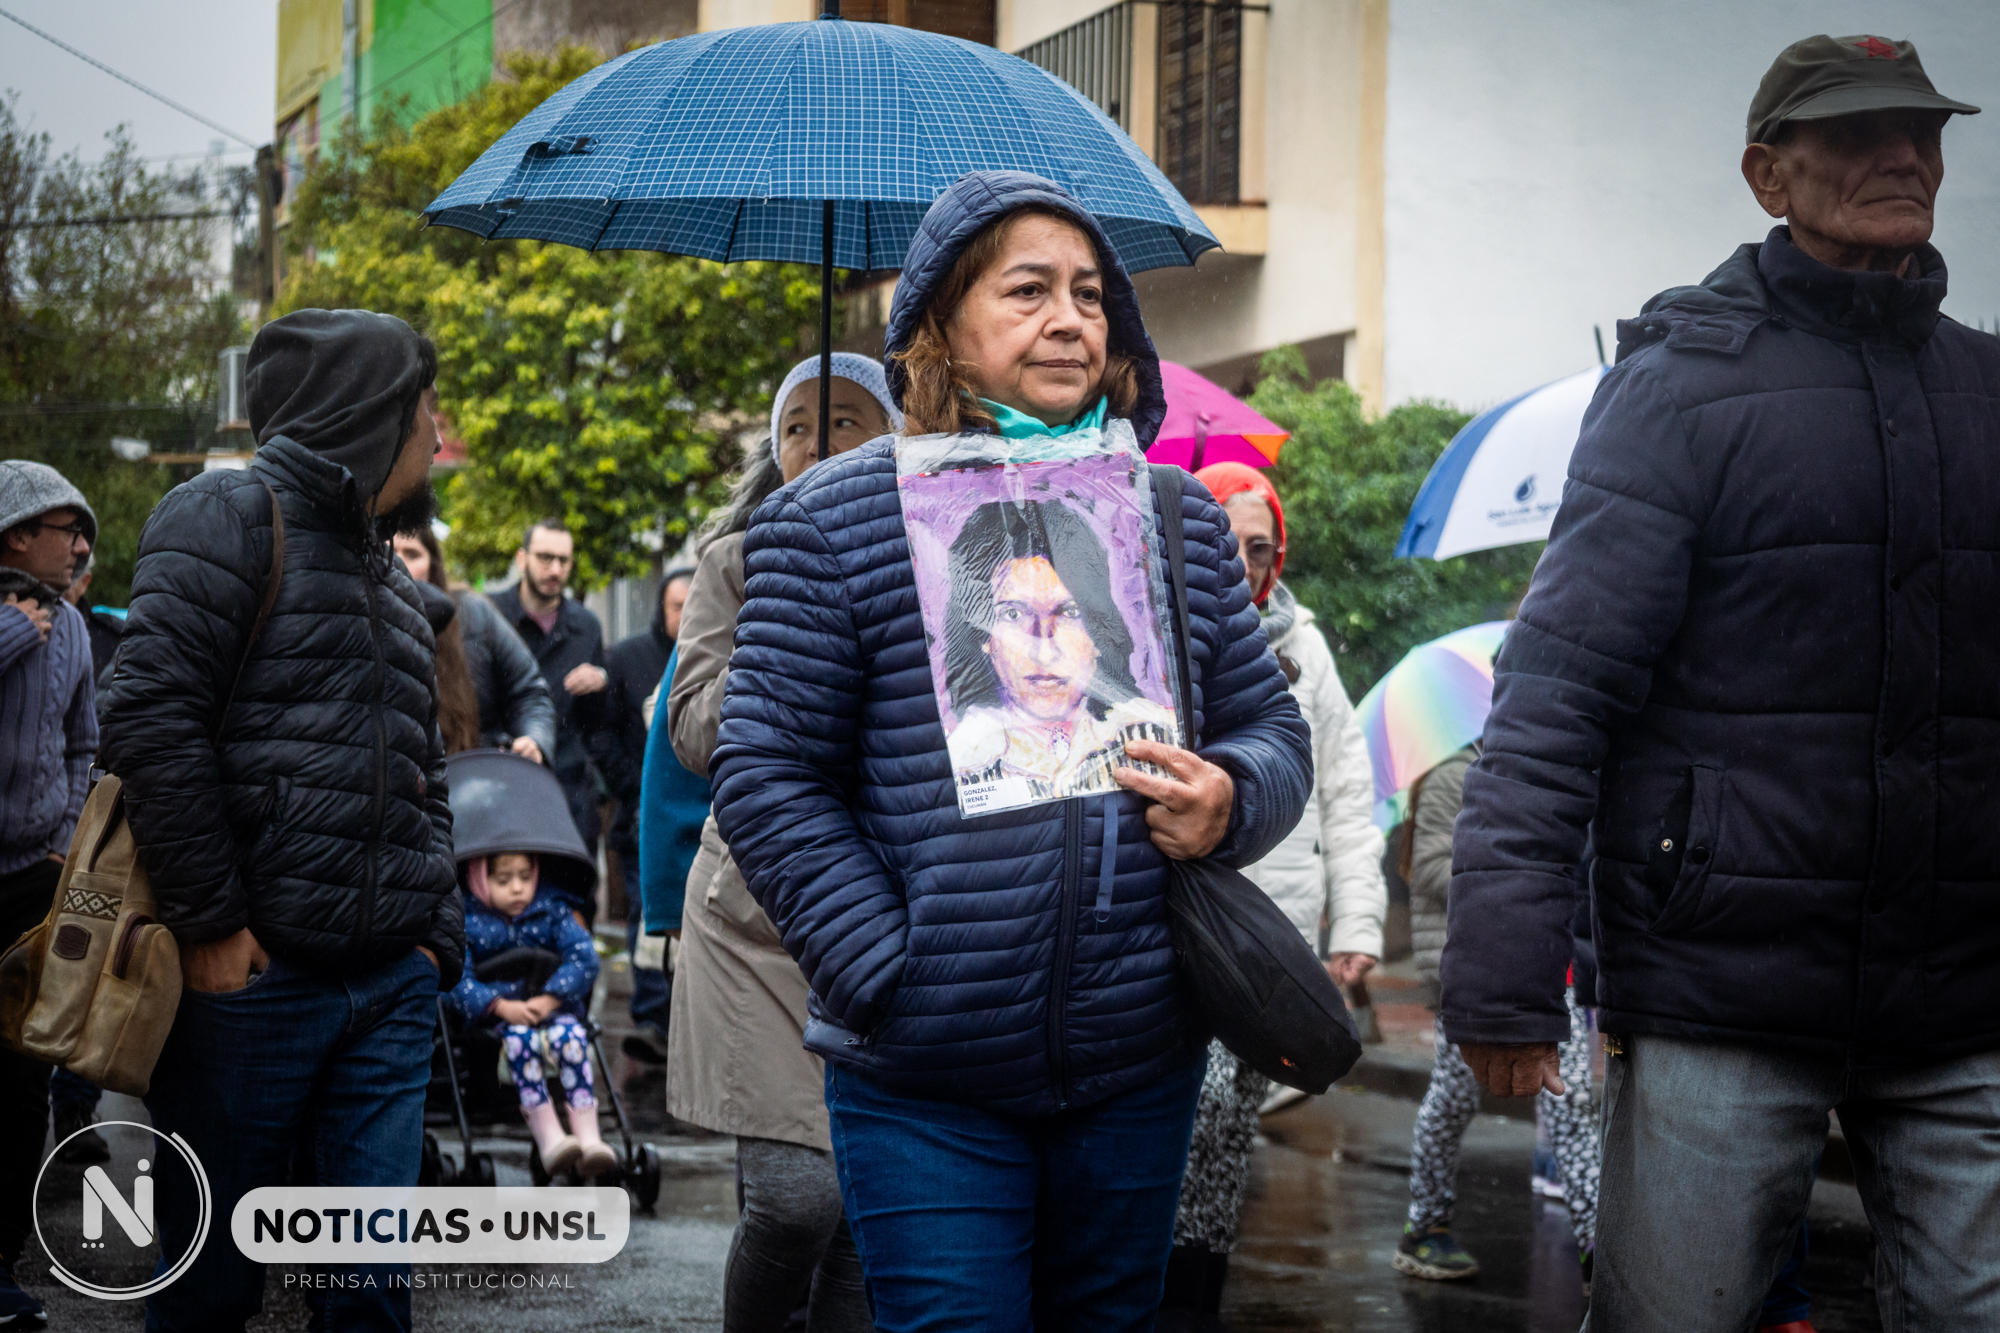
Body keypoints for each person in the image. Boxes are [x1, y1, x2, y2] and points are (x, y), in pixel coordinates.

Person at [1440, 36, 2000, 1329]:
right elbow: (1557, 695)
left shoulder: (1986, 392)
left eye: (1921, 131)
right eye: (1856, 133)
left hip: (1960, 988)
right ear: (1767, 175)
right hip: (1719, 985)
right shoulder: (1677, 395)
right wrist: (1502, 980)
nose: (1902, 155)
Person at [710, 172, 1312, 1330]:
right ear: (940, 323)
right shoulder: (832, 519)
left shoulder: (1174, 517)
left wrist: (1231, 795)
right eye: (1027, 290)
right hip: (924, 1080)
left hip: (1135, 1065)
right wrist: (886, 968)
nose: (1069, 318)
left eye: (1088, 294)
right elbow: (764, 773)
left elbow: (1272, 732)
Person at [100, 308, 463, 1332]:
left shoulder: (392, 577)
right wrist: (214, 925)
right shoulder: (223, 514)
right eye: (426, 408)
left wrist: (434, 939)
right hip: (253, 992)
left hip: (388, 991)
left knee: (368, 1298)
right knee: (209, 1290)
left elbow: (427, 767)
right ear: (372, 413)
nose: (437, 434)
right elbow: (149, 717)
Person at [656, 350, 899, 1333]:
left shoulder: (930, 551)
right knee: (799, 1199)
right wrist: (781, 639)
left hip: (885, 914)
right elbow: (691, 729)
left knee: (864, 1220)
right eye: (796, 425)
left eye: (843, 420)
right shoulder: (733, 563)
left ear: (892, 437)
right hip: (756, 919)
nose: (814, 442)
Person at [1163, 463, 1387, 1317]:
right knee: (1181, 1123)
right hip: (1176, 927)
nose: (1243, 561)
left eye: (1259, 547)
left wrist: (1356, 922)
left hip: (1269, 943)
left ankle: (1192, 1296)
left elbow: (1346, 791)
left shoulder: (1307, 649)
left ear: (1278, 555)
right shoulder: (1161, 624)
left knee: (1222, 1130)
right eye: (1225, 541)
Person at [1393, 743, 1599, 1285]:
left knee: (1571, 1102)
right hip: (1473, 971)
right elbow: (1429, 867)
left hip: (1549, 967)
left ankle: (1598, 1250)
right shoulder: (1452, 776)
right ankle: (1424, 1227)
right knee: (1454, 1099)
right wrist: (1511, 878)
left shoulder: (1546, 768)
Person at [0, 459, 96, 1328]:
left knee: (25, 1075)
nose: (80, 549)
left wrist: (65, 835)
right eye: (69, 531)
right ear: (18, 533)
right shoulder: (17, 623)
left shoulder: (72, 627)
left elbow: (81, 741)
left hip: (35, 875)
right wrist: (9, 632)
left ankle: (1, 1264)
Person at [942, 499, 1176, 802]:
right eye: (1013, 614)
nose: (1044, 653)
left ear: (1100, 632)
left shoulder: (1152, 732)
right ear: (983, 637)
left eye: (1070, 612)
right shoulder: (963, 758)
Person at [447, 850, 613, 1178]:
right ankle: (549, 1136)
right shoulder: (468, 922)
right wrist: (499, 1006)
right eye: (503, 880)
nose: (518, 888)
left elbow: (585, 958)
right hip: (498, 1020)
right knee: (522, 1042)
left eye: (525, 877)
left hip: (551, 1010)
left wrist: (552, 997)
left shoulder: (551, 910)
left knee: (572, 1037)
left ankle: (588, 1136)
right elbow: (455, 981)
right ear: (480, 881)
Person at [593, 566, 695, 1063]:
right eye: (677, 607)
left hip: (697, 818)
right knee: (648, 917)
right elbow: (603, 734)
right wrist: (635, 786)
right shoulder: (628, 657)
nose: (686, 615)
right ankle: (654, 1017)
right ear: (661, 608)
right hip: (639, 816)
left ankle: (688, 1022)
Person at [490, 519, 609, 865]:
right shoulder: (490, 614)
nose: (555, 570)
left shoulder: (586, 626)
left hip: (568, 788)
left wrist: (600, 683)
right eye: (545, 558)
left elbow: (596, 723)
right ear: (521, 558)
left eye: (563, 560)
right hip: (502, 777)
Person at [391, 523, 556, 761]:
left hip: (472, 770)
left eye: (412, 554)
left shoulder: (473, 612)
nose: (399, 563)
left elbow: (529, 691)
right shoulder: (352, 621)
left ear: (433, 565)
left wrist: (533, 741)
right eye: (388, 551)